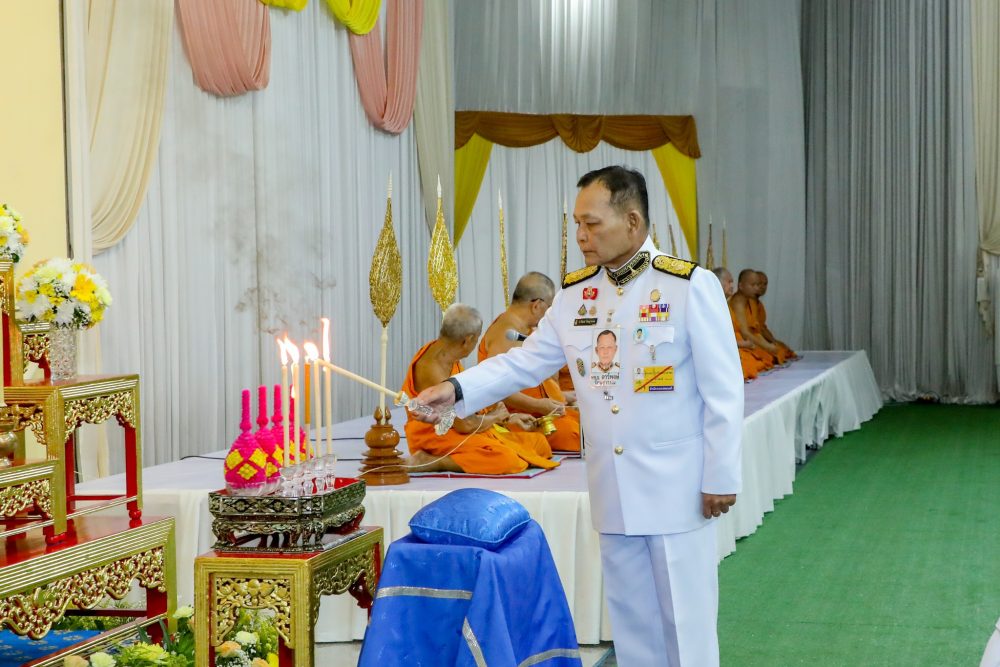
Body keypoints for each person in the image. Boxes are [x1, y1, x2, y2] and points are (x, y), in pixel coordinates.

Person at [413, 166, 744, 666]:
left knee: (686, 625)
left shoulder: (687, 286)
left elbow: (723, 389)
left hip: (675, 487)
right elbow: (524, 362)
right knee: (632, 627)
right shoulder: (576, 295)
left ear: (632, 222)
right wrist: (456, 389)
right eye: (577, 225)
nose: (581, 237)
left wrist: (720, 475)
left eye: (592, 224)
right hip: (613, 488)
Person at [402, 303, 558, 475]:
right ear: (467, 340)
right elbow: (464, 424)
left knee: (539, 444)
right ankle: (433, 461)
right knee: (507, 460)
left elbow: (470, 402)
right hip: (438, 434)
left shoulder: (447, 353)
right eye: (476, 339)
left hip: (466, 427)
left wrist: (507, 418)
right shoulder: (432, 368)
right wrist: (496, 417)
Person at [478, 272, 582, 452]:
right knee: (578, 435)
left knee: (592, 423)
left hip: (545, 410)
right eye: (549, 308)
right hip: (521, 417)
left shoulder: (525, 329)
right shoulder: (507, 332)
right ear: (537, 305)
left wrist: (561, 396)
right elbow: (496, 387)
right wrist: (538, 405)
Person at [712, 266, 766, 381]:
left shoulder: (724, 305)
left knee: (756, 360)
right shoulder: (712, 306)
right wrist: (743, 344)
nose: (732, 286)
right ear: (717, 283)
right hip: (725, 350)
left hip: (736, 347)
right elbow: (716, 339)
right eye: (729, 282)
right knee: (746, 364)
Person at [730, 269, 785, 365]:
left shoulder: (751, 302)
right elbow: (745, 333)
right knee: (754, 361)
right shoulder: (738, 302)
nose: (757, 288)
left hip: (751, 341)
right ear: (741, 286)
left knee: (773, 354)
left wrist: (770, 344)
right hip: (740, 343)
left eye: (757, 285)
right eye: (753, 285)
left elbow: (757, 330)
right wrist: (767, 346)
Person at [753, 270, 799, 361]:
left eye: (765, 284)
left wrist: (774, 341)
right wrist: (771, 343)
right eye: (759, 283)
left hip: (759, 339)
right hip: (750, 341)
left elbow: (762, 327)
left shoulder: (759, 305)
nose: (762, 287)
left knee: (783, 349)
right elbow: (754, 330)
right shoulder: (744, 303)